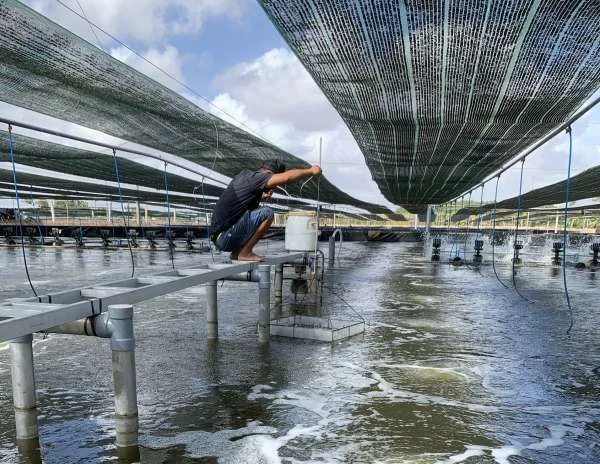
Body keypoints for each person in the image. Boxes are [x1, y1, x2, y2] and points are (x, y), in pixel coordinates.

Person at [210, 160, 322, 262]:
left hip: (220, 237)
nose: (272, 188)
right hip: (224, 237)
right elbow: (286, 178)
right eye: (273, 184)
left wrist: (258, 197)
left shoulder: (246, 177)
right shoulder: (258, 177)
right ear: (269, 173)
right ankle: (244, 252)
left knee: (261, 211)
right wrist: (311, 171)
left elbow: (240, 210)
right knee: (267, 213)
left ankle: (237, 253)